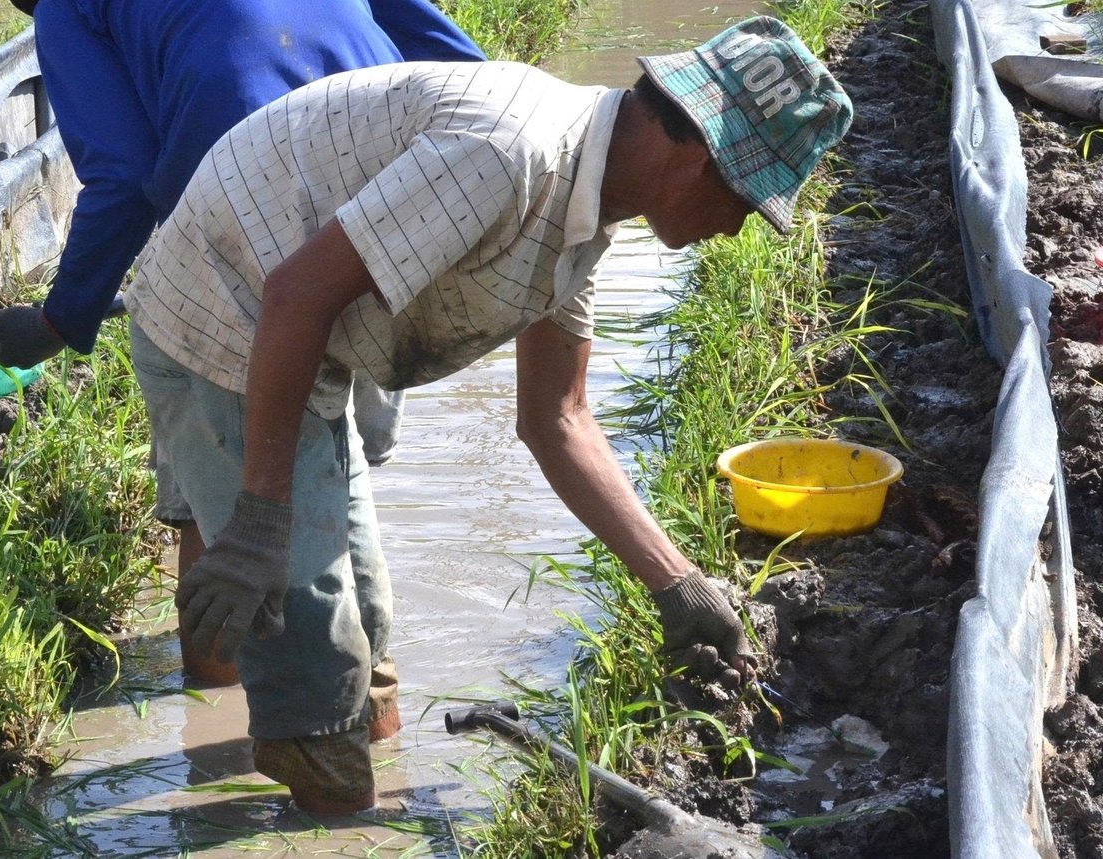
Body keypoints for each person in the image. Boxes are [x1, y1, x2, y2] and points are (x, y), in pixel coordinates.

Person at [123, 16, 853, 814]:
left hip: (307, 340)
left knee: (369, 654)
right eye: (746, 200)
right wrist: (264, 514)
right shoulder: (512, 154)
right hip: (225, 316)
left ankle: (317, 786)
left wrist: (679, 586)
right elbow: (293, 294)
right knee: (318, 695)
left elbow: (559, 419)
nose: (737, 224)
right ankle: (269, 800)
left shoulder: (587, 205)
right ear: (698, 157)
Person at [0, 0, 486, 685]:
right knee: (335, 463)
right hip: (389, 220)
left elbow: (123, 179)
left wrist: (56, 322)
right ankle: (372, 729)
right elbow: (471, 72)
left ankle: (228, 740)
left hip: (245, 245)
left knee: (212, 502)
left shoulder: (69, 9)